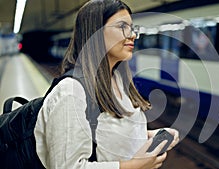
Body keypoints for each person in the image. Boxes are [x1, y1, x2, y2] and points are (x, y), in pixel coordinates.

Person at [34, 0, 179, 168]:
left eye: (132, 28)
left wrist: (150, 136)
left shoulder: (117, 80)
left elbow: (107, 134)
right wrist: (133, 166)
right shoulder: (72, 91)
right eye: (122, 26)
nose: (132, 35)